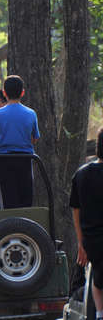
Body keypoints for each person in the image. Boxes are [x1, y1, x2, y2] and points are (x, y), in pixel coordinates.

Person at [70, 127, 103, 320]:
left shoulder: (82, 175)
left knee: (98, 281)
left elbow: (76, 210)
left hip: (92, 241)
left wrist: (81, 243)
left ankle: (99, 314)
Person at [0, 75, 40, 208]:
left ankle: (11, 226)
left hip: (4, 161)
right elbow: (34, 138)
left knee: (9, 199)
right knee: (26, 199)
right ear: (22, 92)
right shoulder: (31, 113)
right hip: (25, 159)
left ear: (4, 93)